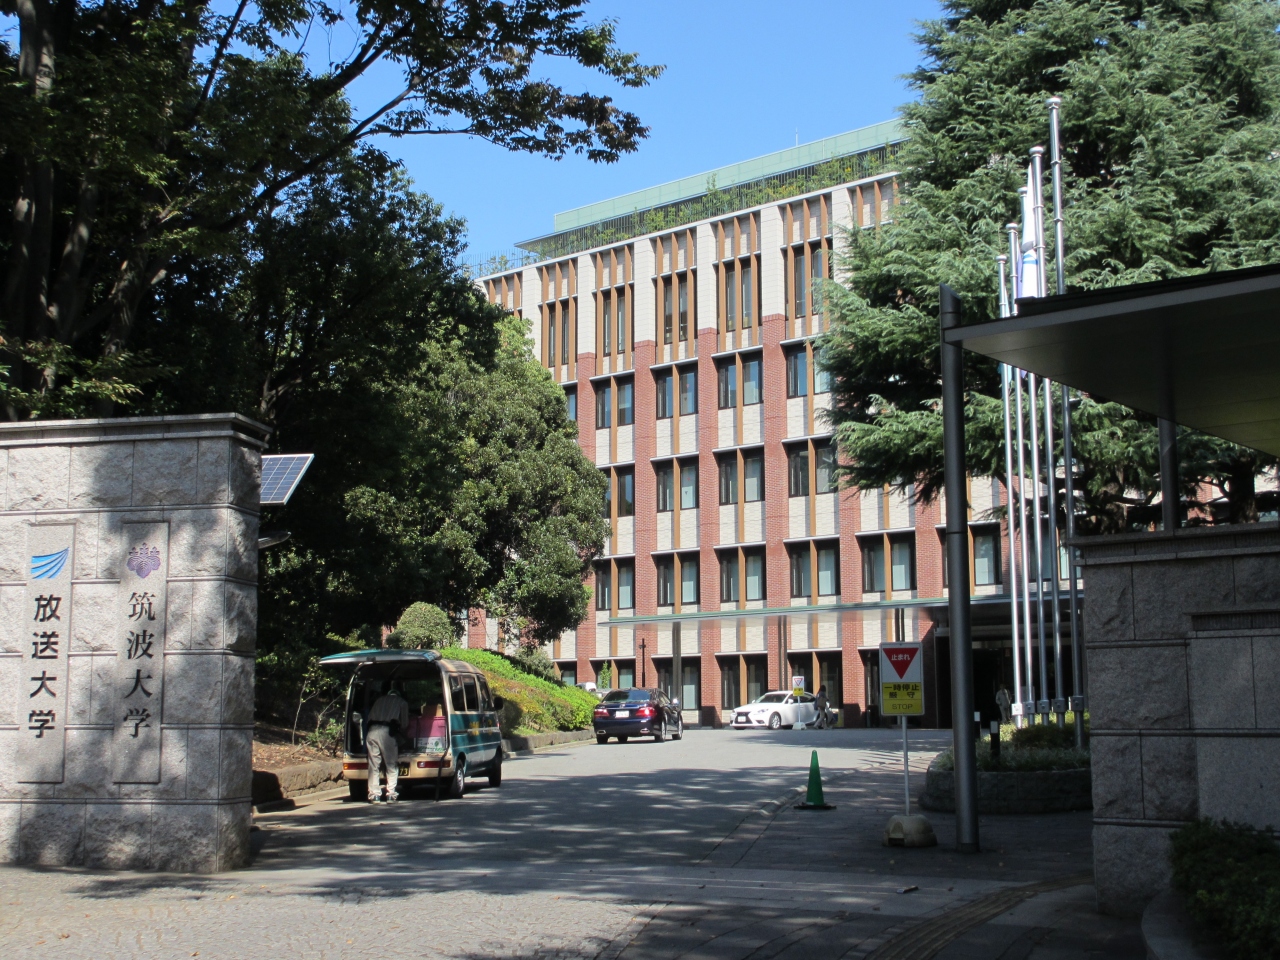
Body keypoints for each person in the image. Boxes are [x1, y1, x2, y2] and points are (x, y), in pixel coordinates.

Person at [366, 683, 409, 803]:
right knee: (391, 764)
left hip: (372, 732)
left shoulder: (379, 700)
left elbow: (369, 718)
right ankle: (391, 794)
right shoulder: (402, 702)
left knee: (374, 765)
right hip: (387, 733)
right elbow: (404, 724)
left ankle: (374, 795)